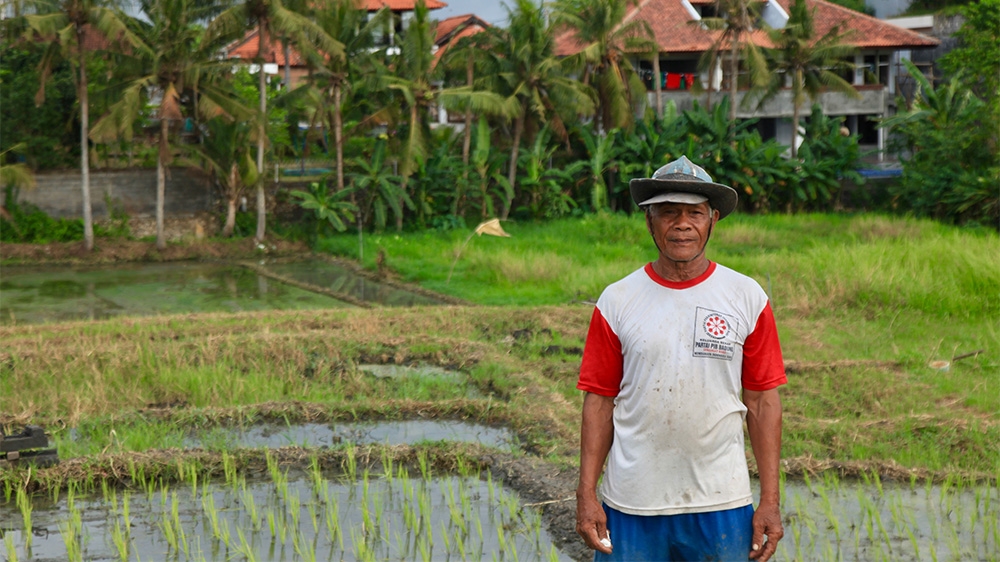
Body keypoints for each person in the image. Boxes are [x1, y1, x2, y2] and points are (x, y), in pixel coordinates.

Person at [575, 156, 786, 562]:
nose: (682, 224)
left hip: (722, 501)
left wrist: (770, 501)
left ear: (713, 220)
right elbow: (598, 402)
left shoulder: (746, 298)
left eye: (695, 213)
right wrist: (586, 495)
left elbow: (763, 401)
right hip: (633, 502)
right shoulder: (617, 300)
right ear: (649, 222)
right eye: (668, 213)